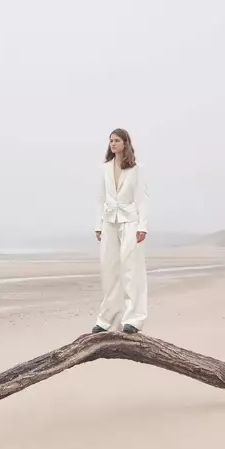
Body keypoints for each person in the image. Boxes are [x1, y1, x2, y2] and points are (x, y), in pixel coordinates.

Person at [92, 128, 149, 334]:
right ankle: (106, 318)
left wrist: (142, 226)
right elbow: (100, 198)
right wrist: (98, 226)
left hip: (130, 223)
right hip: (109, 222)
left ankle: (134, 319)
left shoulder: (137, 169)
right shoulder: (104, 168)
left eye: (116, 140)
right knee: (109, 270)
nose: (112, 144)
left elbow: (142, 199)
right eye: (110, 141)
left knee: (131, 270)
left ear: (125, 142)